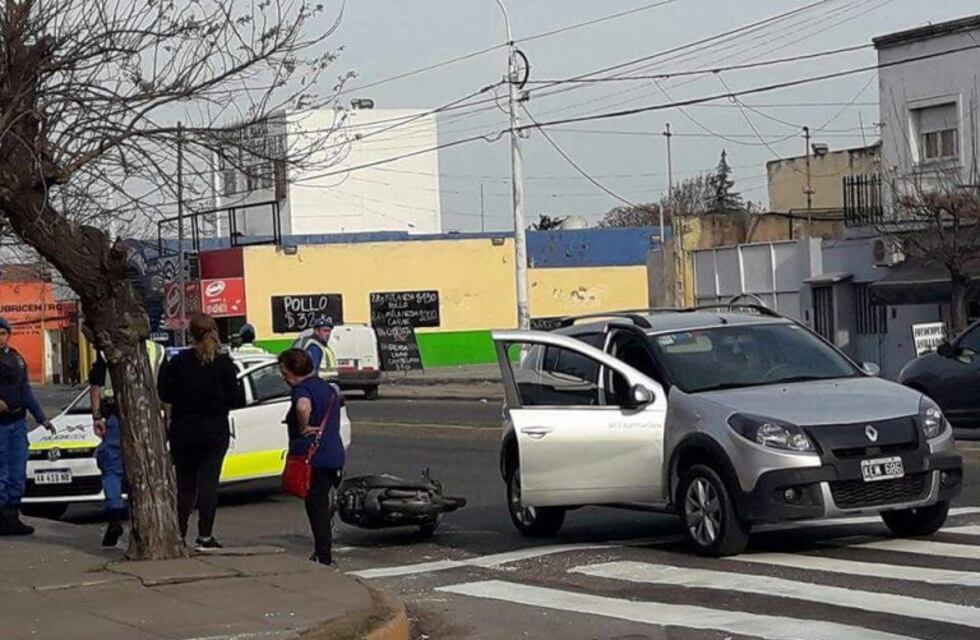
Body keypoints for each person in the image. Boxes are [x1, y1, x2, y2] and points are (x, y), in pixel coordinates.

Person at [157, 313, 240, 551]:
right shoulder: (224, 364)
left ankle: (179, 534)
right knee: (209, 484)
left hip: (184, 431)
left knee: (185, 486)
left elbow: (165, 394)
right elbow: (235, 399)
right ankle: (205, 535)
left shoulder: (178, 362)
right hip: (214, 431)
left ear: (191, 334)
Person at [85, 325, 166, 547]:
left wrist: (97, 417)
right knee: (145, 468)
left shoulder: (108, 352)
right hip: (147, 418)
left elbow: (95, 387)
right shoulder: (158, 351)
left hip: (116, 416)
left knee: (111, 468)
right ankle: (145, 523)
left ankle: (114, 515)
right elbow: (166, 392)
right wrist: (166, 420)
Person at [278, 348, 344, 565]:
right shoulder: (328, 388)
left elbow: (303, 405)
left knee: (316, 506)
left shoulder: (302, 390)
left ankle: (323, 555)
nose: (283, 377)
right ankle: (323, 549)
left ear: (292, 371)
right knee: (322, 504)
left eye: (284, 371)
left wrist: (304, 426)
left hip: (313, 458)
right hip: (334, 454)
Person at [0, 317, 55, 536]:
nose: (0, 338)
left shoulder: (16, 359)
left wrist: (42, 418)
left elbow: (26, 392)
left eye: (3, 333)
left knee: (17, 473)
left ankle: (12, 518)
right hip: (1, 426)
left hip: (17, 423)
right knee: (1, 473)